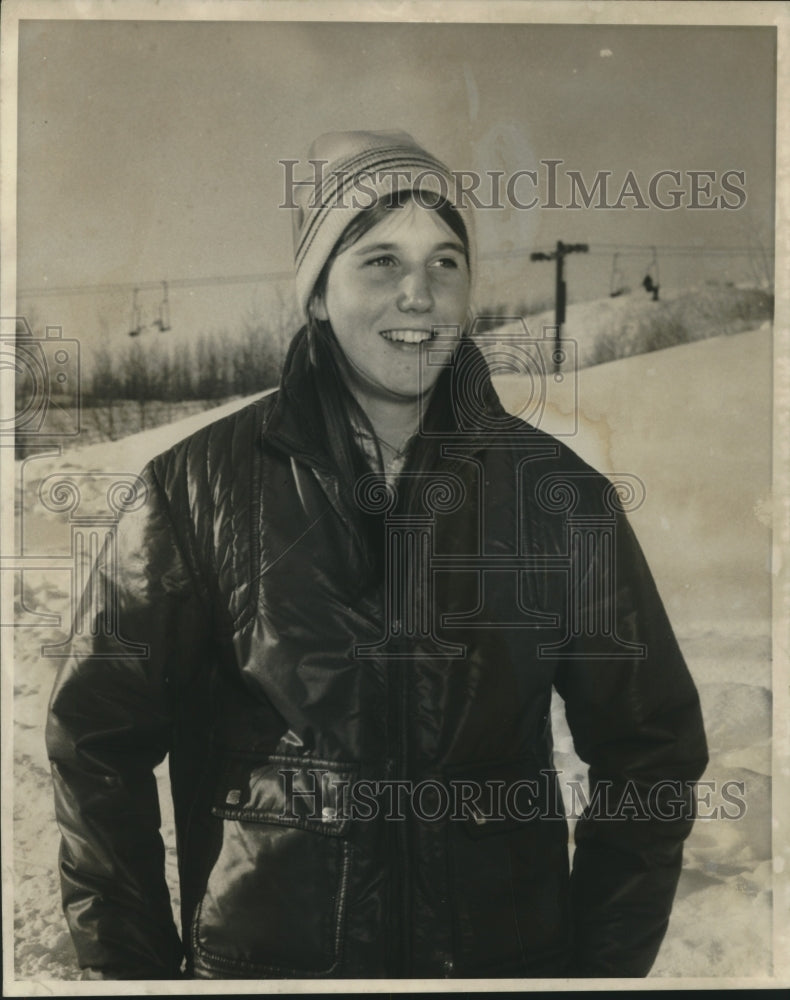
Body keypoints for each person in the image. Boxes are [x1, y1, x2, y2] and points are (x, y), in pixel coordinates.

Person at [46, 130, 708, 981]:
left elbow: (650, 748)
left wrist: (593, 975)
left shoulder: (558, 496)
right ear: (318, 295)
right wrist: (134, 978)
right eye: (380, 261)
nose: (419, 295)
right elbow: (94, 738)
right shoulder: (194, 490)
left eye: (445, 263)